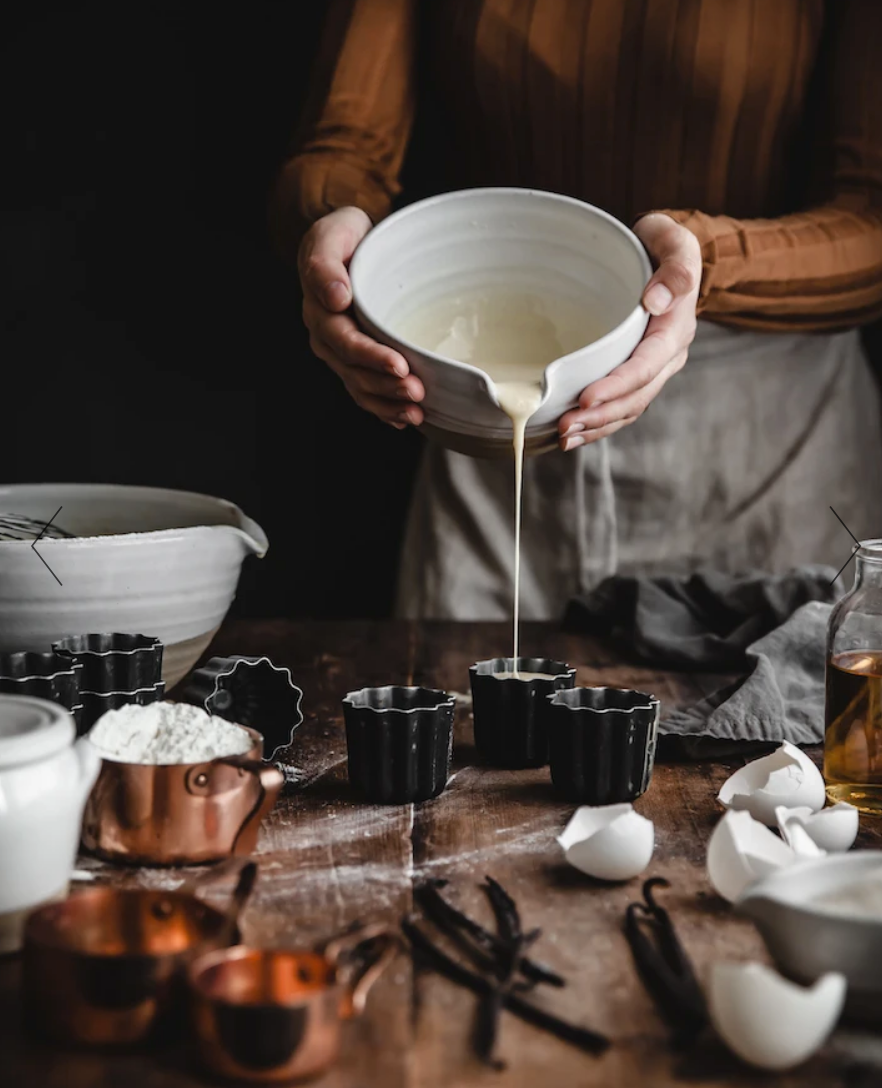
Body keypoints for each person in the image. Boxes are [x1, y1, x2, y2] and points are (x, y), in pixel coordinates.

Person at [270, 0, 882, 622]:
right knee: (461, 708)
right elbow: (342, 146)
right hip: (486, 406)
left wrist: (706, 260)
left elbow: (873, 216)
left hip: (762, 435)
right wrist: (337, 235)